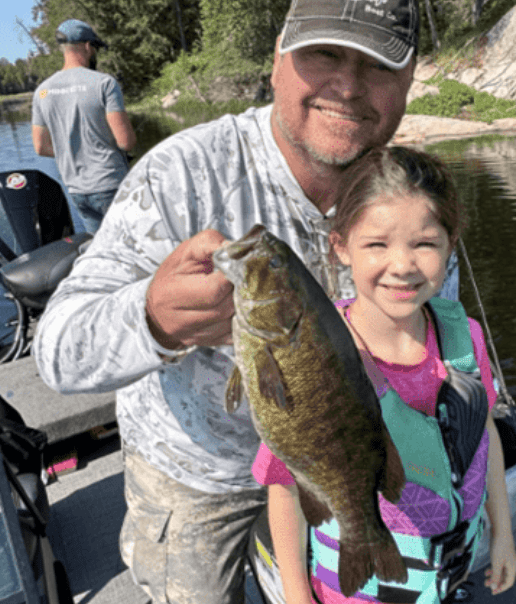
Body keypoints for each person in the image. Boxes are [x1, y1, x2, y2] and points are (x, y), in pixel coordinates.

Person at [33, 1, 460, 602]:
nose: (348, 85)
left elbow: (442, 339)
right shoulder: (182, 175)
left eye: (378, 65)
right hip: (202, 479)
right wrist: (152, 319)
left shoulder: (410, 197)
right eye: (325, 54)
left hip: (345, 464)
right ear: (279, 56)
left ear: (411, 77)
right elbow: (57, 353)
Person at [252, 147, 516, 603]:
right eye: (377, 244)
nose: (402, 265)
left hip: (453, 565)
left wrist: (503, 532)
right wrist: (296, 597)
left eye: (425, 243)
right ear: (340, 248)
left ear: (450, 244)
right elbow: (286, 489)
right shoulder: (312, 358)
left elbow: (484, 432)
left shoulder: (464, 337)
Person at [31, 18, 136, 233]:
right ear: (87, 46)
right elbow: (125, 142)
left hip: (77, 190)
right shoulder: (104, 83)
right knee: (134, 251)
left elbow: (41, 147)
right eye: (94, 48)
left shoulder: (42, 91)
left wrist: (74, 150)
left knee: (101, 253)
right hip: (111, 185)